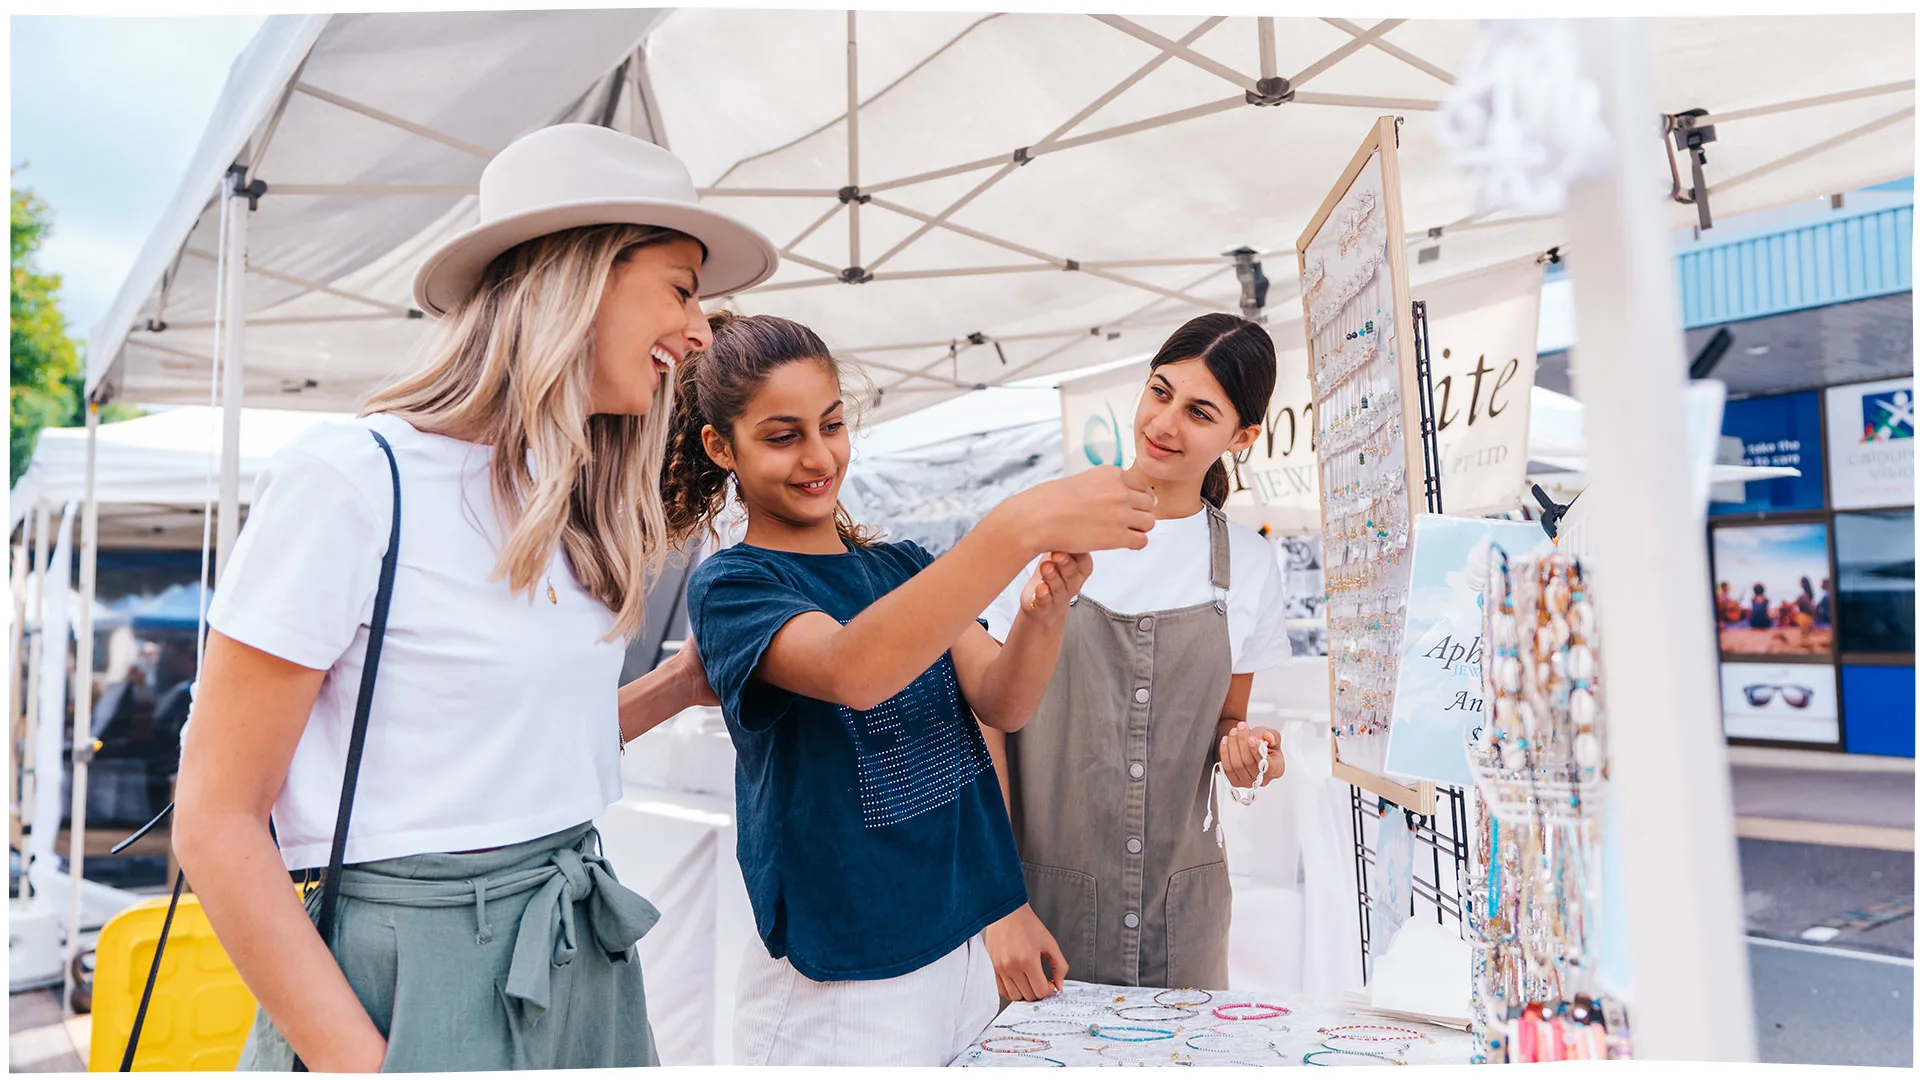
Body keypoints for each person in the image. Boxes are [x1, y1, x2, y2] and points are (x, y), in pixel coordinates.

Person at [172, 124, 776, 1072]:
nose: (702, 330)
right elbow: (215, 819)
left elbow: (504, 759)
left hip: (580, 948)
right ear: (575, 276)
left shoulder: (566, 501)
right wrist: (362, 1062)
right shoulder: (353, 480)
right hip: (413, 983)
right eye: (683, 286)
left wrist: (682, 685)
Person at [663, 312, 1156, 1065]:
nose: (818, 455)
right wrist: (1011, 529)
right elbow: (852, 672)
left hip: (957, 947)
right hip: (844, 978)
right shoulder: (736, 586)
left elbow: (1003, 701)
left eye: (830, 425)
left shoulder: (902, 567)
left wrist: (1040, 614)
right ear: (720, 447)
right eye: (782, 435)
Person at [978, 314, 1294, 997]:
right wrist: (998, 902)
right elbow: (986, 723)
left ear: (1241, 438)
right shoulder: (1045, 528)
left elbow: (1225, 723)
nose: (1166, 423)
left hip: (1184, 923)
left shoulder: (1250, 564)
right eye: (1160, 392)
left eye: (1199, 411)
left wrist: (1247, 750)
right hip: (1038, 913)